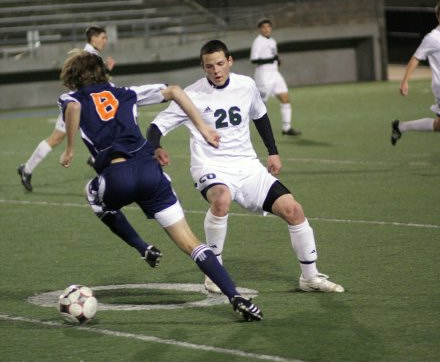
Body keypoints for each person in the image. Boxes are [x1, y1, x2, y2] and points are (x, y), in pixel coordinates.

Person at [57, 49, 262, 323]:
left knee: (93, 196)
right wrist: (202, 126)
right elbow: (175, 90)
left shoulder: (72, 97)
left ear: (72, 77)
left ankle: (142, 247)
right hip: (151, 173)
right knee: (191, 243)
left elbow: (73, 108)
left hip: (117, 177)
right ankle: (236, 296)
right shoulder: (126, 92)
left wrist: (69, 148)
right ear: (102, 73)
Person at [148, 39, 344, 295]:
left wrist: (272, 152)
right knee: (221, 199)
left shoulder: (247, 85)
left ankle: (310, 278)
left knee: (294, 210)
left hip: (248, 166)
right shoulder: (191, 95)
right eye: (209, 66)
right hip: (211, 165)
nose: (216, 70)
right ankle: (213, 272)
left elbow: (260, 115)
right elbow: (156, 126)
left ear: (230, 61)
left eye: (220, 63)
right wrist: (156, 147)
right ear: (202, 67)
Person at [17, 26, 116, 191]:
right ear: (94, 38)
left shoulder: (93, 54)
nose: (105, 41)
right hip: (76, 104)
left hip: (85, 103)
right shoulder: (88, 55)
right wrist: (107, 72)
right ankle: (26, 170)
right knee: (56, 138)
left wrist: (106, 71)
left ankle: (96, 159)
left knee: (104, 128)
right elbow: (91, 82)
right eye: (103, 37)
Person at [391, 0, 440, 145]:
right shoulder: (433, 38)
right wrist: (405, 81)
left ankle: (400, 127)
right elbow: (415, 58)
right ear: (438, 18)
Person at [250, 17, 301, 136]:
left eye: (268, 27)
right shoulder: (258, 41)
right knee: (260, 105)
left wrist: (277, 59)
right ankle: (246, 127)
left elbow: (273, 55)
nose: (266, 29)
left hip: (275, 74)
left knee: (285, 98)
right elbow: (254, 60)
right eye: (263, 27)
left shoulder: (272, 41)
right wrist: (271, 59)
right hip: (263, 76)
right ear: (259, 29)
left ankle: (287, 128)